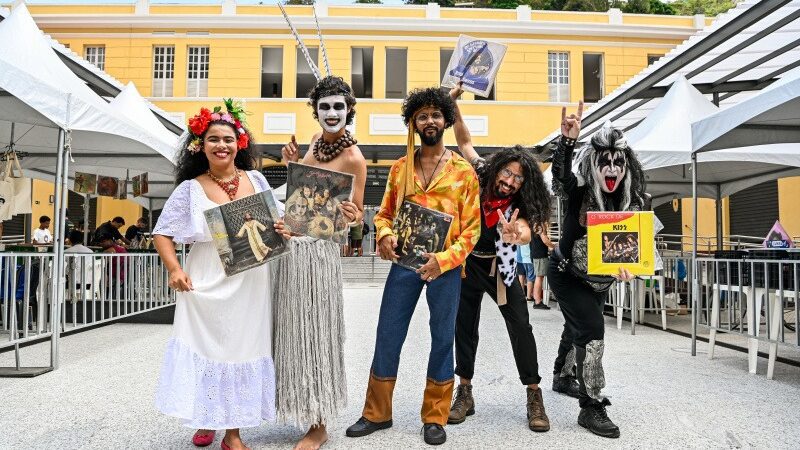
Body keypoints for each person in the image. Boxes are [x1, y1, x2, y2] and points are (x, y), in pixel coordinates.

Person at [346, 87, 480, 446]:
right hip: (404, 264)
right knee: (388, 333)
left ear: (447, 120)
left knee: (442, 339)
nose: (430, 121)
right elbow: (385, 213)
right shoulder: (400, 168)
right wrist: (385, 234)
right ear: (412, 122)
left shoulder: (463, 172)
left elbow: (472, 230)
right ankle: (377, 413)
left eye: (437, 114)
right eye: (422, 115)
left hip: (445, 268)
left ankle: (435, 416)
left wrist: (444, 260)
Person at [152, 99, 283, 450]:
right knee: (208, 349)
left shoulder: (256, 178)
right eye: (213, 139)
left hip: (251, 279)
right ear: (201, 145)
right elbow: (162, 232)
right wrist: (175, 269)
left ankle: (233, 434)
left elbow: (275, 222)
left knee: (243, 349)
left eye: (228, 138)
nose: (221, 145)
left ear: (239, 143)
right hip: (207, 276)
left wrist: (284, 227)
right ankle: (207, 417)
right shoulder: (189, 188)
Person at [445, 84, 552, 432]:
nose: (511, 181)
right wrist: (453, 105)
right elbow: (463, 141)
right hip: (468, 263)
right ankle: (465, 391)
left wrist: (515, 234)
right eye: (508, 173)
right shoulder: (478, 174)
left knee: (521, 324)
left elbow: (522, 230)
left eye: (519, 178)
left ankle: (534, 394)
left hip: (501, 263)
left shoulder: (521, 205)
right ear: (497, 170)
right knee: (465, 327)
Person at [548, 102, 647, 439]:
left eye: (617, 163)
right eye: (603, 162)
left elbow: (638, 249)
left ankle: (562, 376)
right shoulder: (579, 191)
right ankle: (591, 406)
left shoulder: (634, 200)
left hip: (600, 282)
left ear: (626, 166)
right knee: (591, 330)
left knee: (575, 324)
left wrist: (633, 267)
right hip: (566, 273)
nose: (611, 168)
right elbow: (560, 175)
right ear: (593, 163)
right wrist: (567, 141)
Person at [279, 75, 366, 450]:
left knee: (318, 332)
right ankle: (302, 408)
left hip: (320, 254)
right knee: (294, 331)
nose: (332, 113)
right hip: (292, 249)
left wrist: (351, 214)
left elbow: (358, 217)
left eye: (338, 107)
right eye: (325, 106)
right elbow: (302, 196)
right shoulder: (313, 142)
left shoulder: (354, 157)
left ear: (349, 111)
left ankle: (319, 423)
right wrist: (292, 163)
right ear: (315, 111)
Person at [530, 223, 554, 310]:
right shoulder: (540, 224)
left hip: (535, 253)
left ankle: (536, 300)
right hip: (540, 254)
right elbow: (545, 240)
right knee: (539, 277)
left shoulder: (533, 223)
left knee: (539, 277)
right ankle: (537, 302)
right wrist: (554, 246)